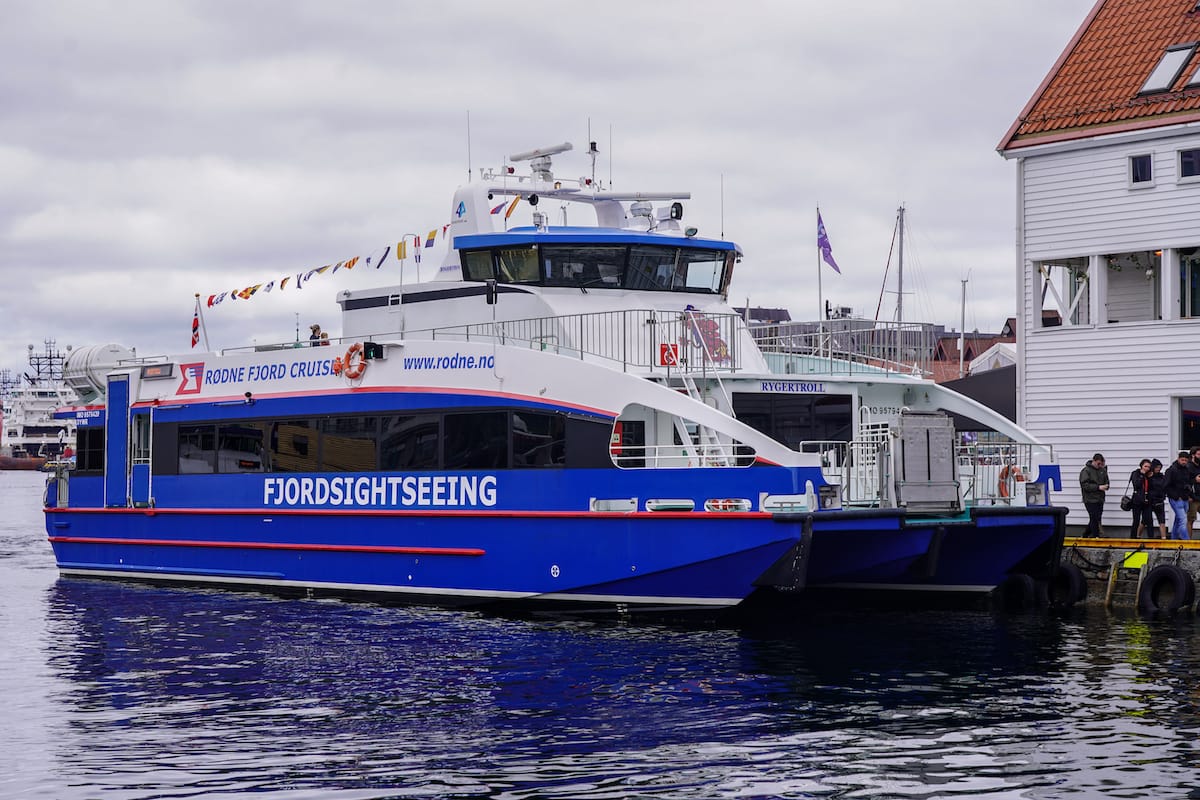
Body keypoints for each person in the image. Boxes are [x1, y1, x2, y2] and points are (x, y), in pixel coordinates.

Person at [1164, 450, 1193, 540]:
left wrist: (1189, 495)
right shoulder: (1171, 470)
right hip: (1176, 499)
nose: (1184, 462)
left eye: (1185, 460)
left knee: (1178, 520)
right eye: (1182, 460)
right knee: (1183, 520)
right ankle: (1186, 541)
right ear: (1178, 459)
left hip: (1185, 498)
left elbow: (1188, 483)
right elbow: (1166, 485)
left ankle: (1174, 539)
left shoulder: (1187, 470)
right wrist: (1175, 496)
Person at [1079, 453, 1109, 537]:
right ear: (1094, 461)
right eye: (1098, 463)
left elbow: (1107, 481)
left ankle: (1085, 535)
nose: (1099, 465)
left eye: (1101, 464)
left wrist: (1106, 486)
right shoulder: (1086, 471)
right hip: (1089, 499)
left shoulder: (1102, 470)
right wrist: (1098, 487)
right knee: (1094, 517)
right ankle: (1096, 535)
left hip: (1100, 498)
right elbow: (1084, 485)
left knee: (1096, 517)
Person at [1128, 459, 1152, 539]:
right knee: (1136, 520)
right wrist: (1142, 475)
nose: (1147, 468)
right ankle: (1133, 537)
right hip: (1137, 500)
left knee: (1148, 519)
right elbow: (1136, 484)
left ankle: (1150, 538)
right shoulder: (1136, 473)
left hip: (1146, 501)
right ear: (1141, 466)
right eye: (1145, 466)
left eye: (1148, 467)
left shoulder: (1149, 475)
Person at [1146, 458, 1168, 539]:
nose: (1158, 469)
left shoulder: (1162, 476)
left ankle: (1164, 538)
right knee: (1145, 520)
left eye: (1159, 467)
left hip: (1160, 501)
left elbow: (1164, 486)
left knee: (1162, 521)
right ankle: (1137, 536)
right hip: (1150, 501)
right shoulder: (1148, 476)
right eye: (1156, 467)